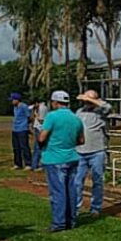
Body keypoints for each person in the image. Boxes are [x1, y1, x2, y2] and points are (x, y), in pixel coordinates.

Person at [39, 91, 83, 232]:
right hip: (72, 156)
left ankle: (59, 222)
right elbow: (81, 140)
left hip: (54, 157)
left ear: (55, 102)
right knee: (71, 190)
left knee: (58, 192)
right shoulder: (76, 118)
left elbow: (42, 137)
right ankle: (71, 220)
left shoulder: (52, 116)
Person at [74, 90, 112, 218]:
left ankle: (95, 208)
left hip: (97, 151)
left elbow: (108, 107)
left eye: (88, 99)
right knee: (77, 181)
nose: (86, 101)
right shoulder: (79, 112)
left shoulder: (101, 111)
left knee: (97, 181)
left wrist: (91, 99)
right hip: (80, 151)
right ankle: (75, 208)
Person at [8, 93, 33, 170]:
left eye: (13, 100)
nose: (12, 101)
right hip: (15, 129)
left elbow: (29, 117)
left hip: (22, 129)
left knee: (24, 146)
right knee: (16, 147)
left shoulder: (24, 106)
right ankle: (17, 164)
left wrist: (26, 125)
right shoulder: (15, 107)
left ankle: (28, 163)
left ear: (17, 100)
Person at [30, 97, 49, 171]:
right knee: (37, 147)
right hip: (37, 128)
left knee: (40, 147)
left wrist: (36, 116)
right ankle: (34, 165)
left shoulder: (43, 108)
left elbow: (42, 121)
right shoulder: (37, 108)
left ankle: (41, 165)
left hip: (41, 129)